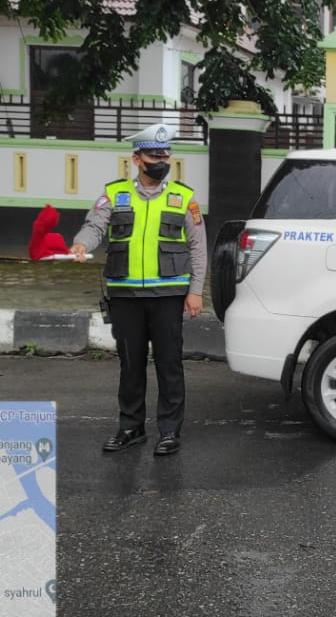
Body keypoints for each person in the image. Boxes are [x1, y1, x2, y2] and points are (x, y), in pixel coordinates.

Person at [70, 124, 207, 456]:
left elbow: (198, 246)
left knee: (169, 364)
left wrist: (196, 291)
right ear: (136, 159)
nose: (160, 161)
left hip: (169, 295)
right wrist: (79, 245)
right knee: (130, 364)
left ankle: (170, 431)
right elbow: (95, 227)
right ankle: (131, 427)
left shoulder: (183, 198)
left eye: (165, 155)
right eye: (153, 155)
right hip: (125, 295)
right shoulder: (115, 194)